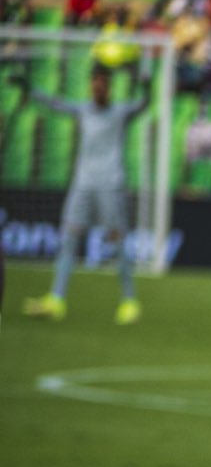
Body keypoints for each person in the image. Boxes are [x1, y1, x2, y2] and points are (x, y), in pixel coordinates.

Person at [22, 63, 147, 325]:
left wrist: (145, 83)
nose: (98, 85)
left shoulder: (120, 112)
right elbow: (54, 104)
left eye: (102, 81)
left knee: (117, 242)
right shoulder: (82, 109)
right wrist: (29, 88)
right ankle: (56, 299)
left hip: (110, 185)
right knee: (68, 238)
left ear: (109, 86)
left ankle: (129, 300)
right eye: (94, 81)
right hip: (82, 184)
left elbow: (144, 104)